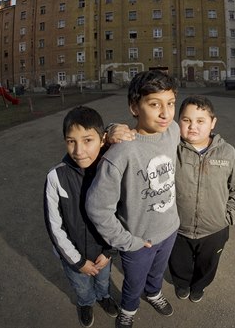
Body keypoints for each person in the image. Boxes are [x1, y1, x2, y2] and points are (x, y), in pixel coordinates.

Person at [85, 70, 180, 328]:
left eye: (170, 103)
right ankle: (128, 309)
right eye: (154, 104)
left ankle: (154, 293)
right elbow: (96, 207)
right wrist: (126, 241)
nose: (165, 113)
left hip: (170, 229)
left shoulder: (173, 130)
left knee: (157, 273)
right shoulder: (121, 153)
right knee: (133, 282)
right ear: (134, 107)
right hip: (139, 240)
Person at [169, 95, 235, 303]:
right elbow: (144, 135)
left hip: (215, 228)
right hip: (177, 227)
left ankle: (199, 286)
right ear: (178, 121)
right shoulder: (171, 148)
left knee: (208, 262)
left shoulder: (226, 152)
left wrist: (232, 213)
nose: (192, 127)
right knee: (179, 262)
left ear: (213, 123)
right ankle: (182, 283)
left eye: (200, 121)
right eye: (186, 120)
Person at [44, 106, 119, 327]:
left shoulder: (112, 170)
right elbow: (54, 226)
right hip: (72, 257)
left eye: (87, 140)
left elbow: (120, 213)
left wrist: (108, 251)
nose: (78, 150)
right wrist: (77, 261)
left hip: (102, 253)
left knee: (103, 279)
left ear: (103, 139)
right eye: (71, 141)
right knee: (81, 286)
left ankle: (104, 296)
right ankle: (86, 302)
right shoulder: (56, 177)